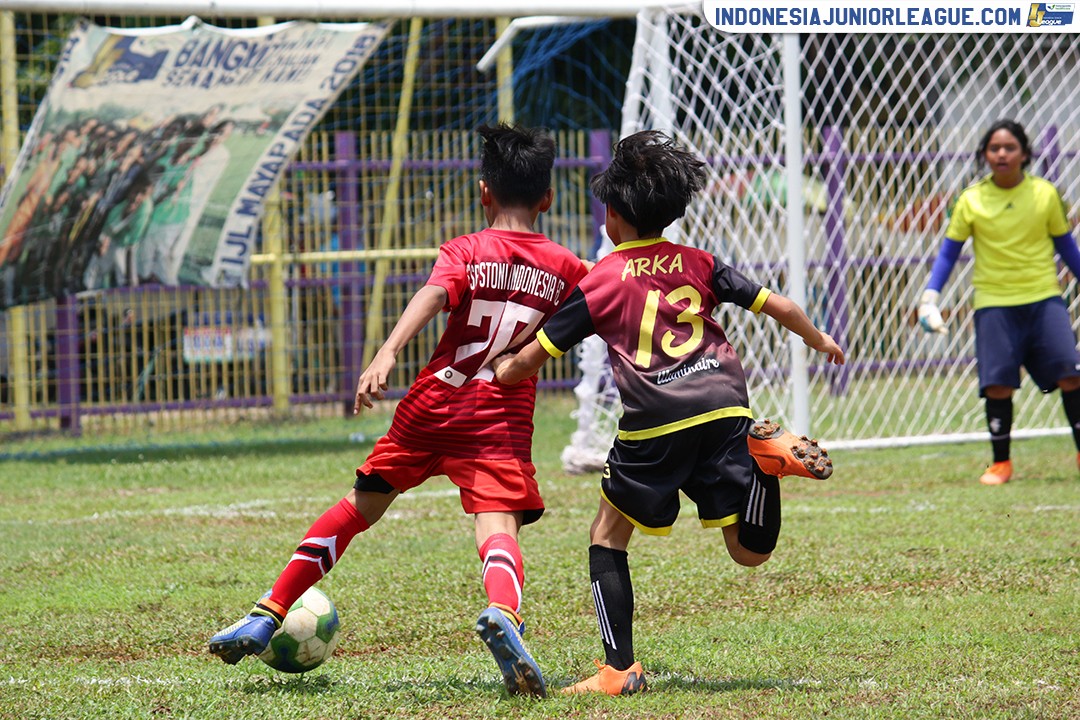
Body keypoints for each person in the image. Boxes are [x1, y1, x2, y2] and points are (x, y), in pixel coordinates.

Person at [208, 123, 589, 698]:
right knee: (498, 527)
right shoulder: (567, 267)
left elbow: (433, 296)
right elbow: (598, 311)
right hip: (499, 420)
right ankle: (503, 615)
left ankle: (270, 609)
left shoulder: (466, 250)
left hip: (434, 403)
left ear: (484, 192)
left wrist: (386, 353)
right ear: (549, 198)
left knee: (358, 509)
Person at [492, 130, 845, 695]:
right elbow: (778, 303)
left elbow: (531, 358)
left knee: (607, 535)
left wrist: (499, 369)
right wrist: (819, 337)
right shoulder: (699, 262)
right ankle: (765, 465)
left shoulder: (601, 279)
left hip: (654, 423)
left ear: (612, 215)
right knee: (748, 552)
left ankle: (618, 669)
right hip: (727, 407)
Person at [917, 119, 1080, 486]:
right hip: (994, 302)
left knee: (1071, 372)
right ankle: (1001, 464)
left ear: (1024, 153)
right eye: (994, 148)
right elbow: (948, 254)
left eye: (1009, 148)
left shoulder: (1046, 194)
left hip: (1044, 299)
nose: (1002, 154)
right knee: (997, 384)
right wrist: (930, 297)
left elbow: (1067, 247)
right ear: (985, 155)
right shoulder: (971, 199)